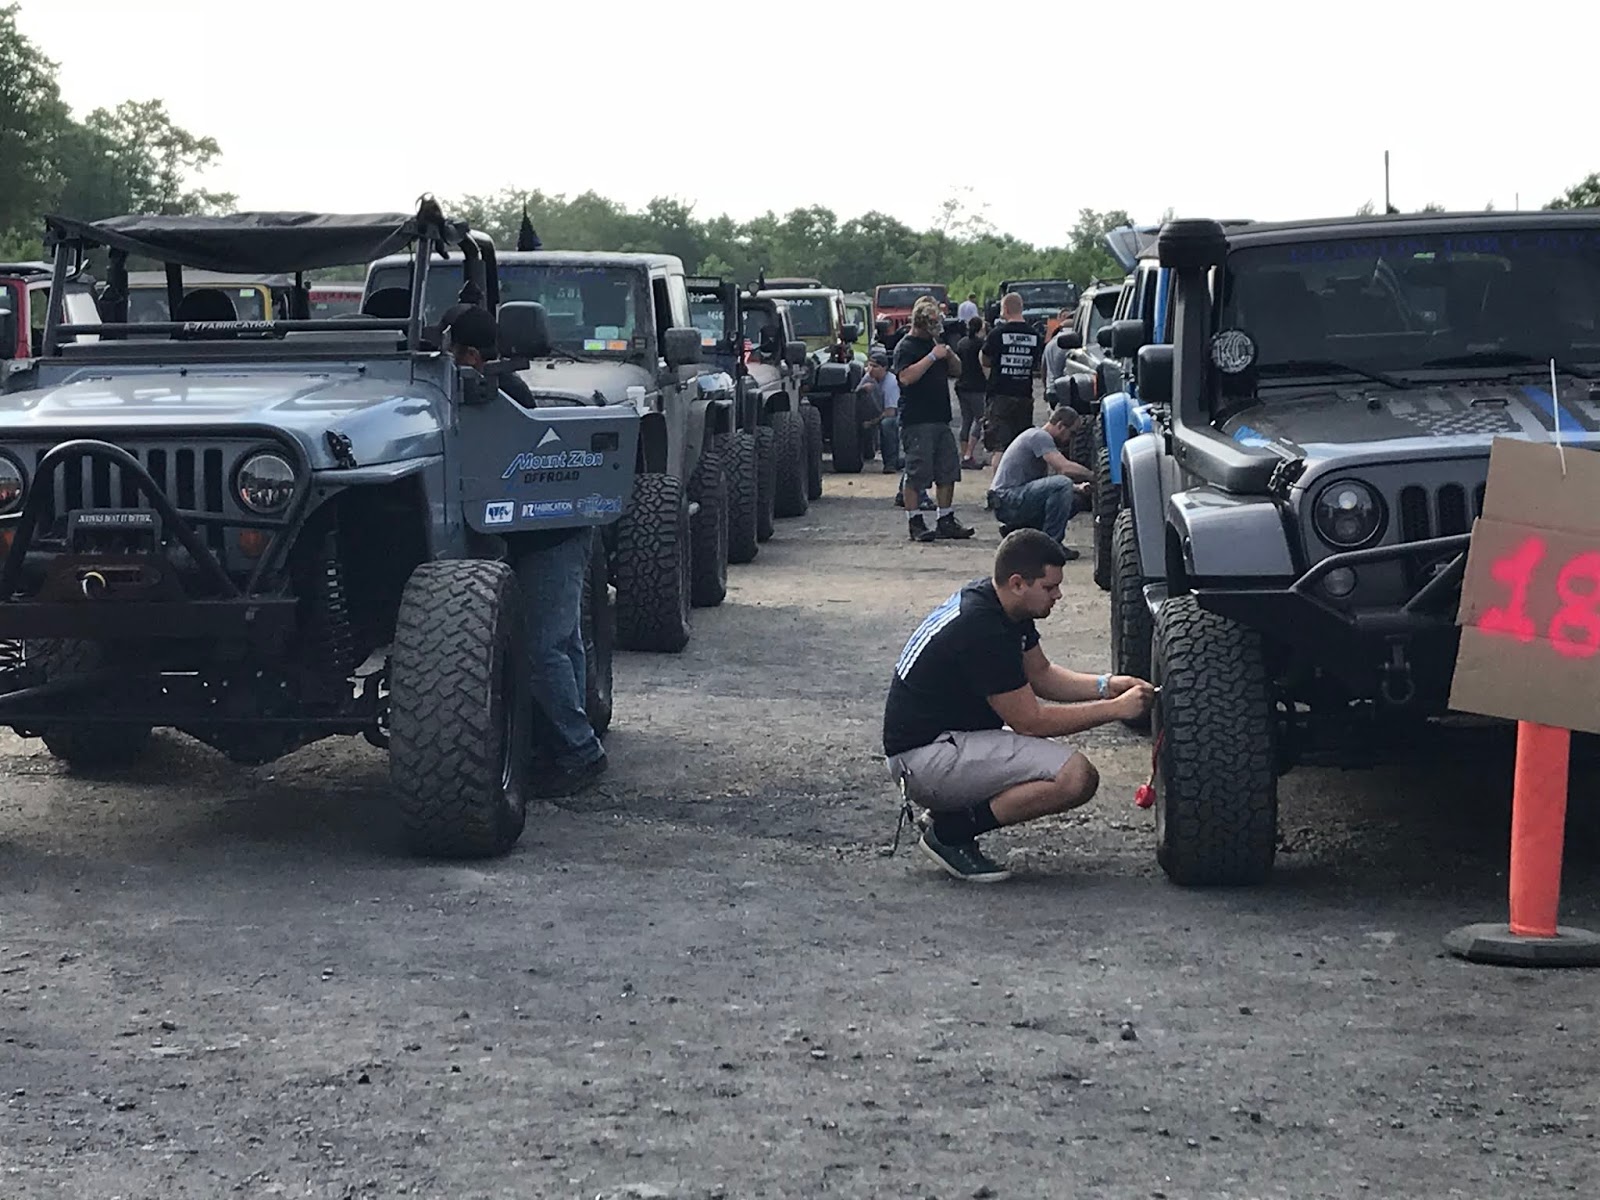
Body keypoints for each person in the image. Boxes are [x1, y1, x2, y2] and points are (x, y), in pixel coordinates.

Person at [883, 530, 1155, 882]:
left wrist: (1106, 686)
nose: (1058, 595)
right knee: (1075, 776)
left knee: (1049, 760)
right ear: (1017, 583)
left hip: (937, 744)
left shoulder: (1001, 603)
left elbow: (1041, 674)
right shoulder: (983, 629)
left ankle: (949, 814)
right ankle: (950, 833)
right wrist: (1116, 709)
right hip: (924, 759)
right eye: (1049, 587)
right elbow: (1031, 721)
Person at [443, 305, 608, 796]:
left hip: (549, 536)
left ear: (471, 356)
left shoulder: (495, 394)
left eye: (449, 352)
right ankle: (568, 739)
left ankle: (579, 752)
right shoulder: (498, 385)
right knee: (562, 643)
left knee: (542, 649)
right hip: (556, 531)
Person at [891, 296, 974, 542]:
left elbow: (958, 371)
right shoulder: (906, 347)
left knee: (948, 471)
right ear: (920, 323)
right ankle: (915, 521)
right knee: (917, 472)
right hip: (917, 420)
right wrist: (932, 357)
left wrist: (948, 355)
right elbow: (906, 378)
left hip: (940, 418)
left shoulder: (936, 343)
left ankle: (945, 519)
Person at [987, 406, 1093, 558]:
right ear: (1060, 426)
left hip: (1011, 498)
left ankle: (1021, 531)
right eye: (1072, 433)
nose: (1071, 439)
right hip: (1007, 499)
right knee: (1062, 484)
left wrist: (1078, 488)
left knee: (1075, 498)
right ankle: (1051, 546)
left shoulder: (1039, 438)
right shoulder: (1039, 436)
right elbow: (1064, 468)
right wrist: (1093, 475)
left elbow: (1042, 484)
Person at [979, 292, 1045, 454]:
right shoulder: (1035, 335)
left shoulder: (997, 334)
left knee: (999, 447)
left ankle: (999, 472)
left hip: (1000, 396)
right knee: (1021, 446)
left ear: (1006, 309)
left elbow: (985, 359)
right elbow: (1038, 364)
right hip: (1024, 395)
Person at [857, 346, 903, 474]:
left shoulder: (891, 383)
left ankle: (891, 463)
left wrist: (871, 423)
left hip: (896, 414)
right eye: (869, 365)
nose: (871, 369)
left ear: (884, 368)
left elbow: (890, 412)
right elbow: (854, 395)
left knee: (887, 424)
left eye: (875, 366)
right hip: (877, 411)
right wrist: (862, 390)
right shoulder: (868, 377)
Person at [954, 315, 988, 469]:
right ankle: (969, 454)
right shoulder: (981, 345)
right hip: (977, 386)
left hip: (962, 385)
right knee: (980, 419)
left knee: (966, 420)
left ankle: (963, 455)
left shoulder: (962, 343)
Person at [1039, 308, 1078, 389]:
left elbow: (1043, 369)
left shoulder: (1050, 343)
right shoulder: (1075, 341)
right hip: (1066, 388)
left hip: (1051, 387)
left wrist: (1046, 387)